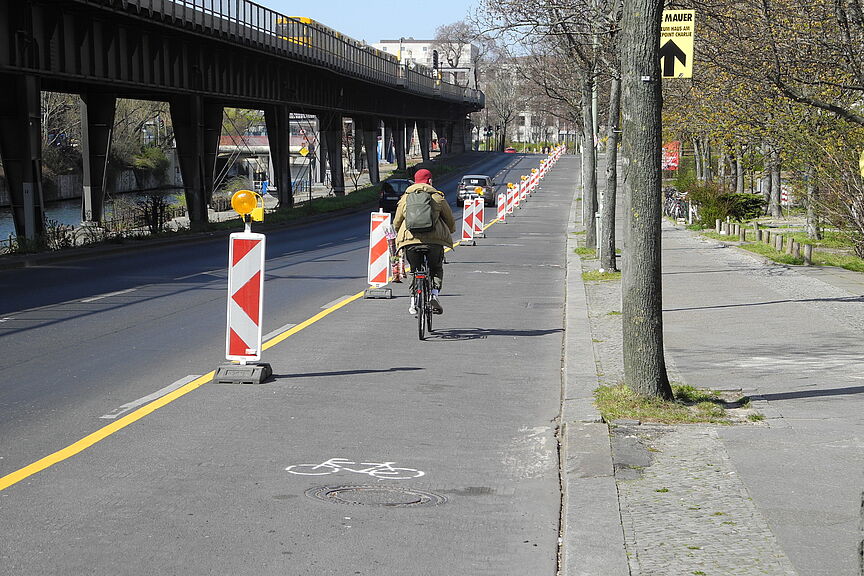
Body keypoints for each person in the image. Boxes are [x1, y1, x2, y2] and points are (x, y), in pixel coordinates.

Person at [392, 168, 455, 315]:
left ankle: (413, 301)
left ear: (414, 181)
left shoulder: (405, 198)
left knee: (414, 270)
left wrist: (398, 233)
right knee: (436, 268)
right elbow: (449, 219)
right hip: (434, 241)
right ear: (430, 181)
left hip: (410, 241)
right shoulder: (437, 197)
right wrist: (450, 231)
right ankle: (434, 294)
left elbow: (397, 222)